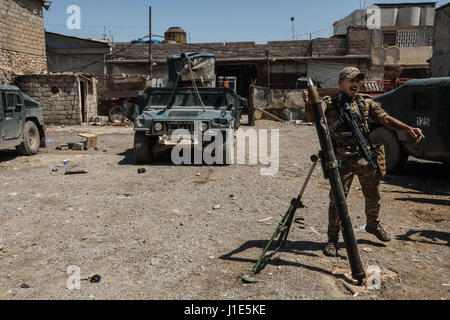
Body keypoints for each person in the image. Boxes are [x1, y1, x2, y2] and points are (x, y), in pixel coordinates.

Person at [304, 67, 424, 257]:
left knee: (373, 195)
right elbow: (313, 118)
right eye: (351, 80)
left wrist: (408, 128)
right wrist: (309, 104)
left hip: (364, 157)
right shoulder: (329, 103)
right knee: (337, 200)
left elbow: (386, 120)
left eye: (358, 80)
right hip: (341, 161)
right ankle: (332, 240)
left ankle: (372, 224)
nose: (355, 84)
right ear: (340, 82)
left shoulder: (366, 103)